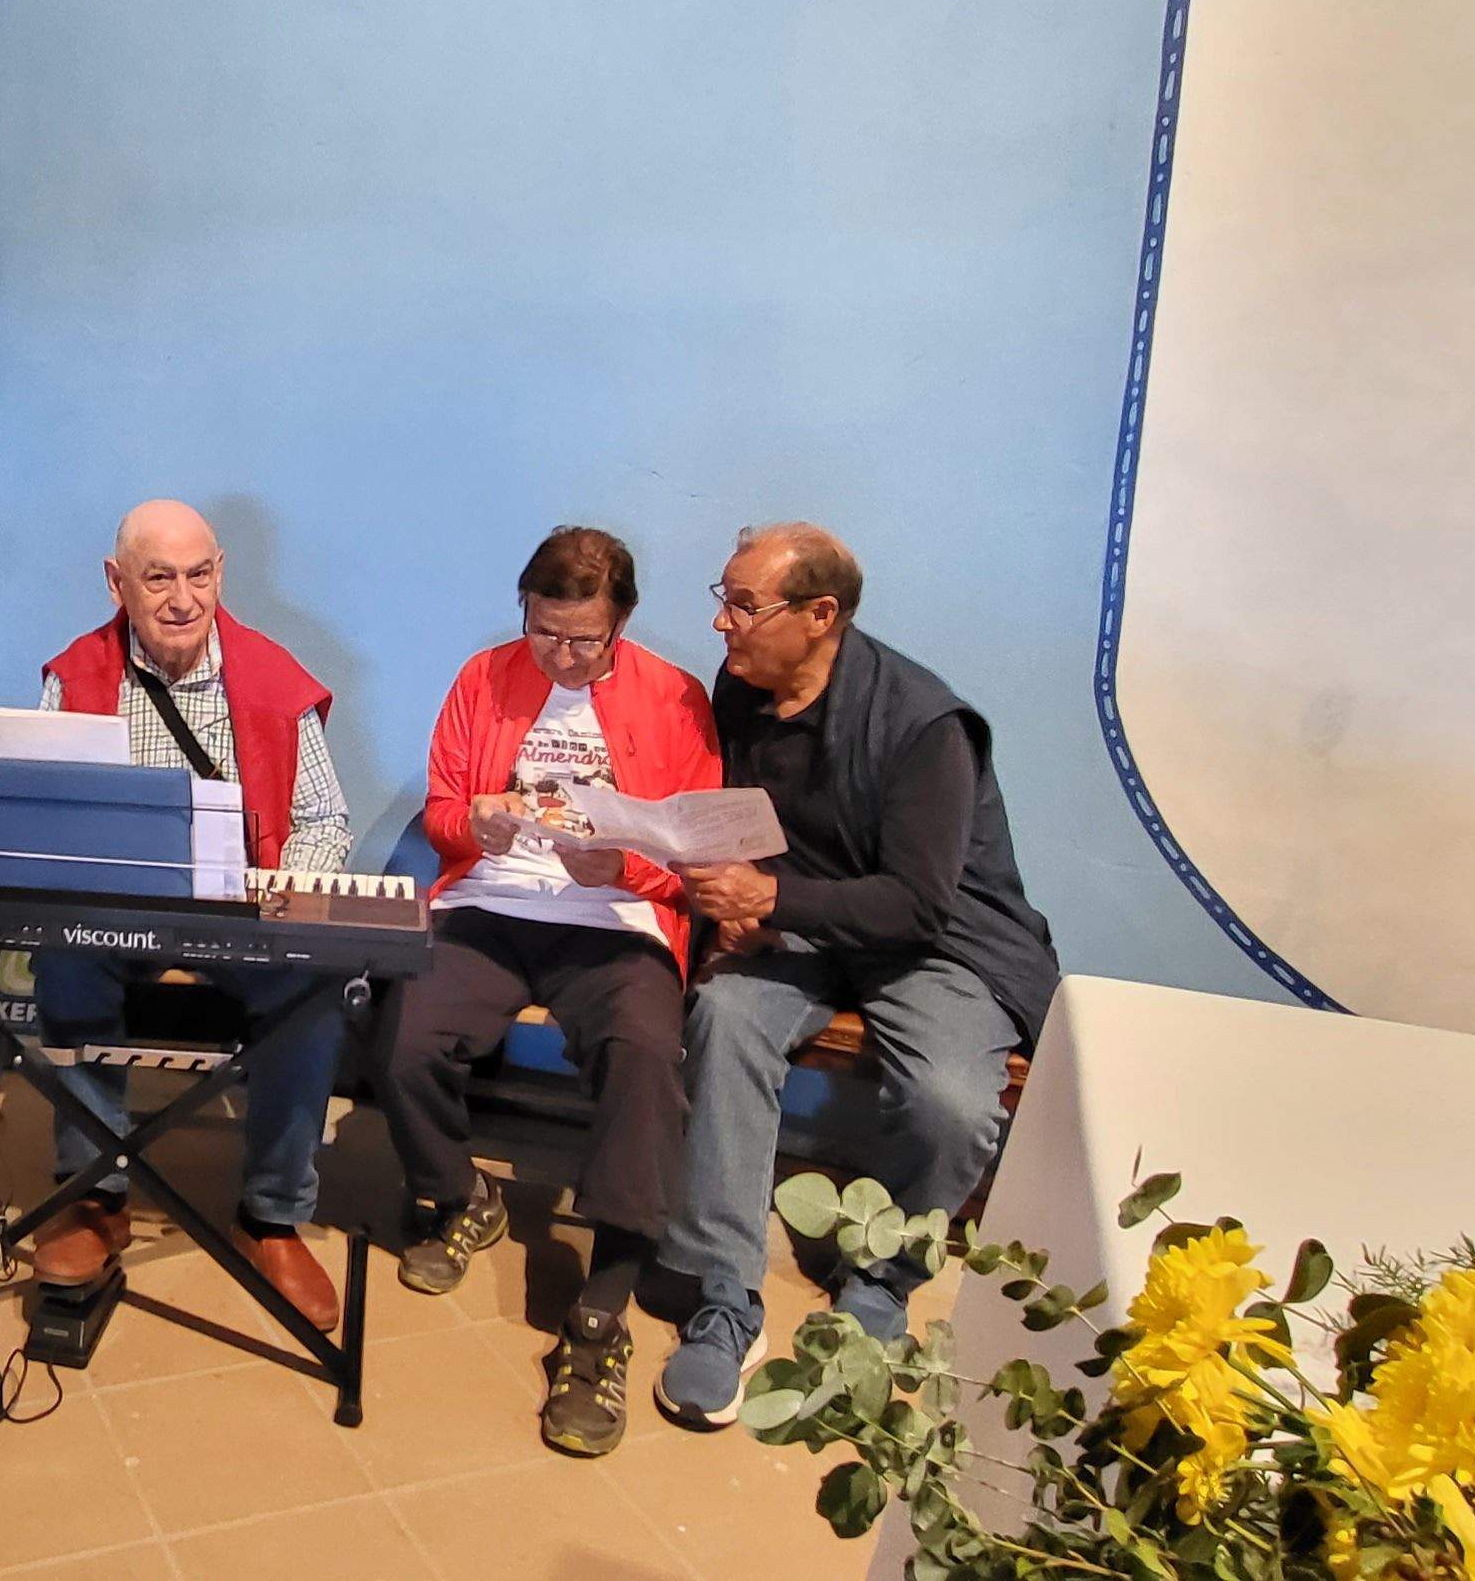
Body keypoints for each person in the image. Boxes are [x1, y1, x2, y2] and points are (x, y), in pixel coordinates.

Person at [652, 523, 1062, 1436]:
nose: (722, 624)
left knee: (952, 1102)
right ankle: (724, 1293)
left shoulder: (926, 727)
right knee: (723, 1019)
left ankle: (882, 1277)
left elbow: (917, 902)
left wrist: (772, 897)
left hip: (935, 945)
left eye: (743, 606)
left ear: (820, 615)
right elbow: (740, 822)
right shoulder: (744, 688)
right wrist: (730, 909)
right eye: (724, 599)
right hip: (801, 929)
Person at [374, 525, 718, 1457]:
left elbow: (695, 852)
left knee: (643, 1056)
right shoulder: (483, 677)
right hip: (493, 905)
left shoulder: (676, 697)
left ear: (622, 625)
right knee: (402, 1034)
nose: (562, 656)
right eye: (544, 632)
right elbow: (443, 811)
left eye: (583, 641)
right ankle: (462, 1193)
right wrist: (475, 826)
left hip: (615, 918)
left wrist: (626, 865)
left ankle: (602, 1310)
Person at [22, 499, 355, 1324]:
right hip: (119, 912)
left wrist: (277, 897)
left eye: (199, 575)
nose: (182, 599)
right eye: (159, 578)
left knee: (315, 985)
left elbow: (325, 822)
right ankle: (96, 1194)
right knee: (66, 957)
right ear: (116, 583)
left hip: (242, 916)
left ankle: (272, 1215)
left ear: (221, 573)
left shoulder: (273, 677)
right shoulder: (74, 678)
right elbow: (43, 813)